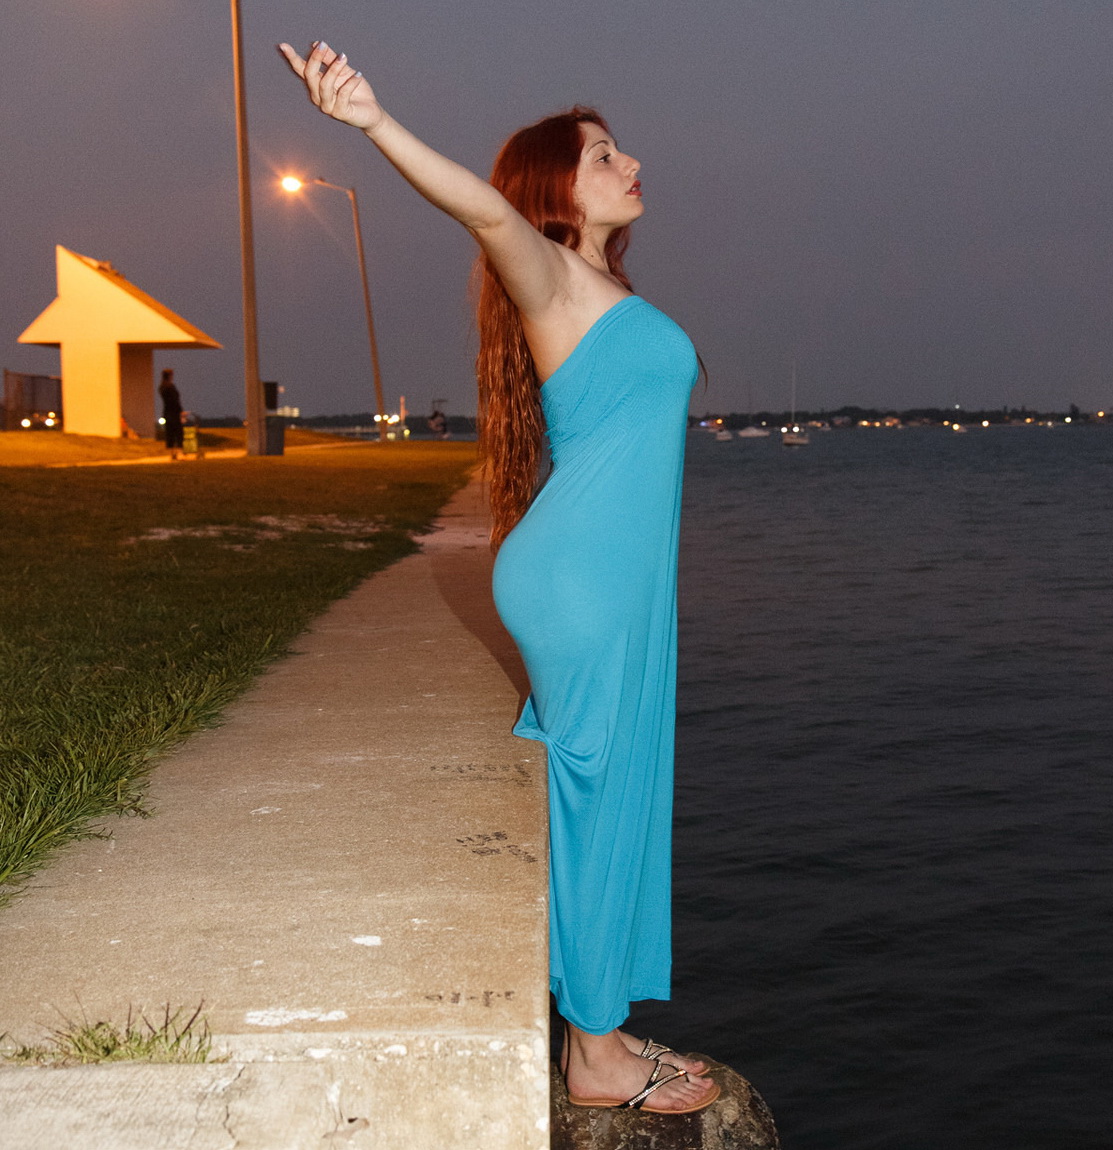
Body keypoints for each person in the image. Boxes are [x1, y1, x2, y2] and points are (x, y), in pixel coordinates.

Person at [280, 41, 719, 1116]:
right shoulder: (549, 270)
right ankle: (596, 1057)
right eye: (603, 155)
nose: (630, 163)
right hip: (582, 583)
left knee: (619, 785)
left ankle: (600, 1021)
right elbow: (482, 211)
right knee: (600, 792)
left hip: (611, 583)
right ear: (555, 191)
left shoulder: (602, 287)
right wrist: (372, 121)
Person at [158, 368, 183, 460]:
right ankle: (179, 452)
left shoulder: (162, 387)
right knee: (178, 432)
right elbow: (175, 400)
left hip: (167, 412)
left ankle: (172, 453)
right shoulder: (170, 387)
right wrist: (180, 410)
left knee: (170, 433)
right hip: (174, 412)